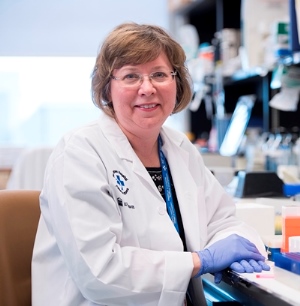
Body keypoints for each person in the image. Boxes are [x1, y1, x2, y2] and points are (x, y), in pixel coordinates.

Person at [32, 22, 270, 306]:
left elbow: (223, 220)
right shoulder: (80, 153)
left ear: (177, 83)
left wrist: (238, 247)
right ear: (107, 89)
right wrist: (201, 261)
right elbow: (99, 273)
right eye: (131, 76)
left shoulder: (180, 150)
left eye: (159, 74)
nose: (147, 88)